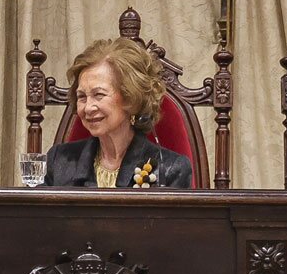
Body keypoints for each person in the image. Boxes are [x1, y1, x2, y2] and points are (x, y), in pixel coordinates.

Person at [42, 38, 192, 188]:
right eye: (82, 96)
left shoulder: (171, 169)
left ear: (131, 99)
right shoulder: (58, 161)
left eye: (99, 95)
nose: (87, 108)